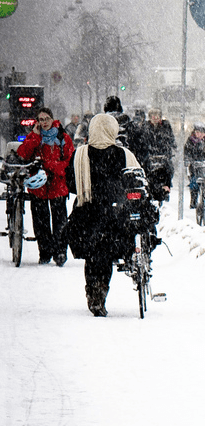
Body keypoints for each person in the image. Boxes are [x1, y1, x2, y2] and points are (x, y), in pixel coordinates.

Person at [64, 113, 143, 316]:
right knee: (106, 257)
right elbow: (137, 183)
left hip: (87, 214)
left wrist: (88, 188)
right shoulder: (125, 155)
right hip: (116, 216)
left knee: (93, 258)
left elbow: (71, 184)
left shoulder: (80, 155)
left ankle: (93, 293)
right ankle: (100, 293)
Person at [15, 107, 75, 266]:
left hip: (57, 183)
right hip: (39, 185)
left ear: (52, 119)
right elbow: (23, 153)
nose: (44, 122)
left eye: (46, 118)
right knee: (40, 221)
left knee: (60, 220)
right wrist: (34, 136)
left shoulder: (63, 137)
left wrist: (50, 166)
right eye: (41, 120)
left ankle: (60, 252)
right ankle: (45, 252)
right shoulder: (34, 136)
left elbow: (69, 161)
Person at [139, 108, 177, 202]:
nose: (155, 118)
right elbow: (142, 141)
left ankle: (166, 186)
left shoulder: (165, 126)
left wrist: (170, 148)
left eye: (157, 116)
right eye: (153, 115)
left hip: (163, 154)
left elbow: (170, 139)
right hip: (150, 155)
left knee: (169, 169)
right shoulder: (145, 127)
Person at [184, 122, 205, 212]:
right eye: (197, 132)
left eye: (201, 132)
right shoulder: (191, 140)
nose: (199, 135)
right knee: (194, 181)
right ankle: (194, 199)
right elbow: (187, 151)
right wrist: (189, 160)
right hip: (196, 166)